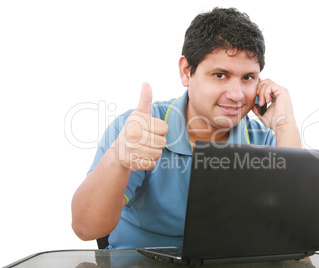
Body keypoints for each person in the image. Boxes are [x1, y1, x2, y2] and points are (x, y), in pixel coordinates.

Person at [71, 7, 301, 249]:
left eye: (248, 78)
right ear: (186, 71)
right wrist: (118, 159)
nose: (237, 95)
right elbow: (86, 229)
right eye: (220, 75)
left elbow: (292, 232)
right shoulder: (139, 129)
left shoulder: (262, 140)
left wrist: (284, 125)